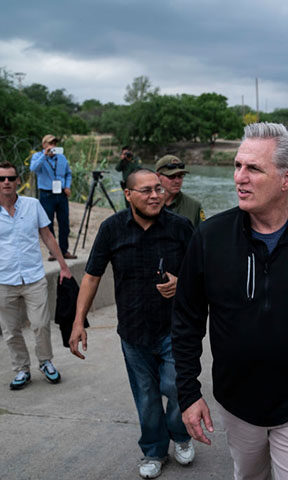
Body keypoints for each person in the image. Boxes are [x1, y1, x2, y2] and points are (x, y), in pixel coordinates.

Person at [172, 122, 288, 480]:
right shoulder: (209, 237)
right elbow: (186, 321)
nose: (239, 178)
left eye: (253, 168)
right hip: (237, 405)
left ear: (287, 178)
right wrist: (188, 393)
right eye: (237, 165)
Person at [68, 168, 195, 479]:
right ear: (128, 194)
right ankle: (154, 450)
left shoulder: (181, 227)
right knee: (147, 394)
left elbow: (202, 274)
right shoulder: (112, 228)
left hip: (174, 328)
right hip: (133, 330)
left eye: (158, 189)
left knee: (178, 387)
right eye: (146, 191)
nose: (155, 195)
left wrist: (182, 283)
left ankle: (180, 434)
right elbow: (92, 275)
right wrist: (78, 321)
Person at [0, 161, 71, 390]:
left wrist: (64, 266)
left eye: (11, 178)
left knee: (41, 324)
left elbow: (48, 236)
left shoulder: (33, 205)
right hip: (4, 279)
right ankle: (22, 369)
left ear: (18, 181)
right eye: (2, 179)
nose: (6, 182)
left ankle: (45, 362)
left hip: (33, 277)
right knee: (11, 332)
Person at [29, 134, 76, 260]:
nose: (53, 146)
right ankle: (53, 252)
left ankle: (64, 250)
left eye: (54, 144)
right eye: (50, 143)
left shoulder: (61, 158)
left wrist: (67, 186)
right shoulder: (38, 157)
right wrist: (44, 155)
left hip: (61, 194)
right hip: (46, 194)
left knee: (64, 223)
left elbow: (68, 174)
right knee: (48, 224)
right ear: (44, 144)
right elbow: (33, 168)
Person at [155, 155, 205, 227]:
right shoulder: (149, 203)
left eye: (180, 176)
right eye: (171, 176)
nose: (177, 181)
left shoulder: (194, 206)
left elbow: (203, 234)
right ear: (158, 176)